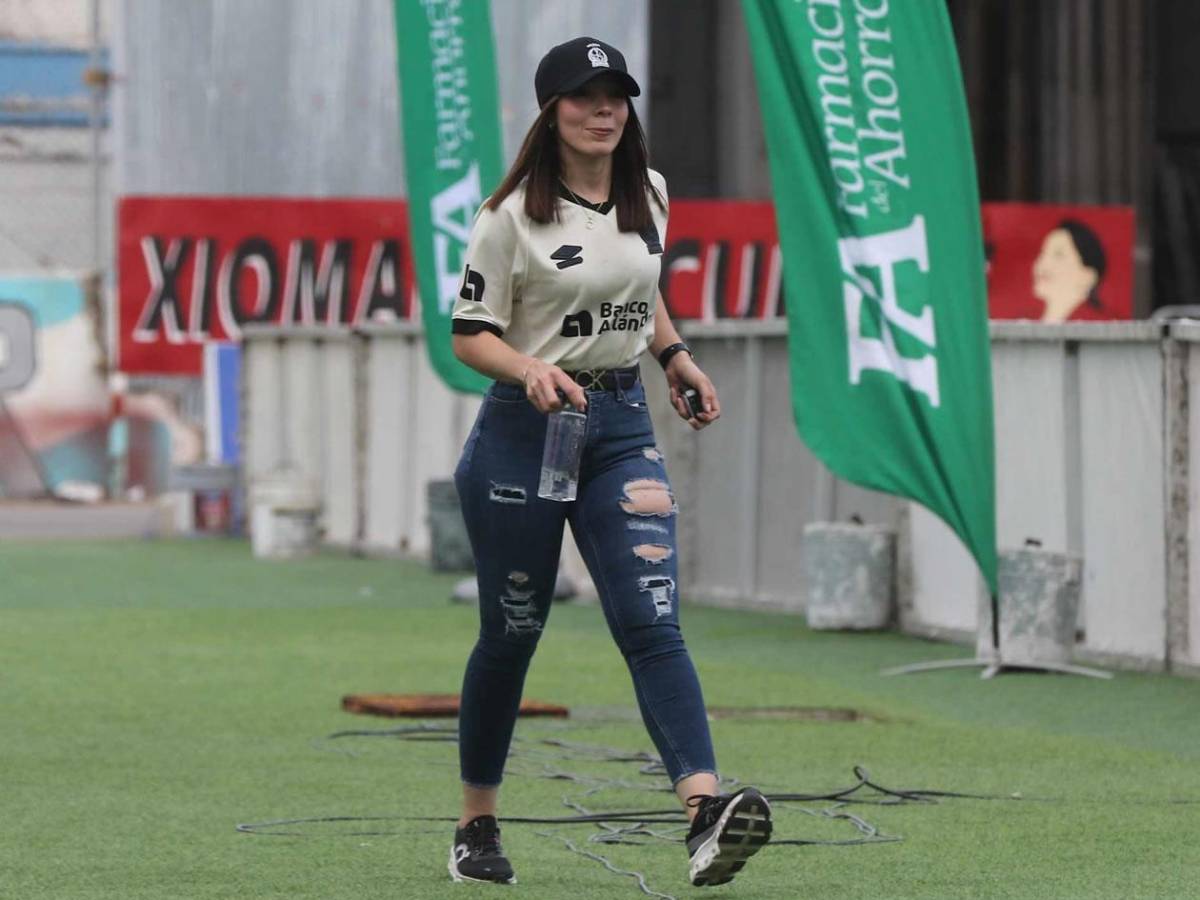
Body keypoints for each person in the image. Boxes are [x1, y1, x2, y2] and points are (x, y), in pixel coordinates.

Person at [446, 36, 772, 888]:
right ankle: (476, 824)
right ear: (551, 112)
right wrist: (529, 369)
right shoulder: (508, 217)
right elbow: (469, 334)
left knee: (652, 620)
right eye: (586, 98)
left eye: (616, 97)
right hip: (525, 431)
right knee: (512, 635)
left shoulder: (651, 192)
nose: (604, 113)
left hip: (621, 424)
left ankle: (704, 815)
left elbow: (637, 289)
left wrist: (675, 359)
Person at [1033, 218, 1110, 322]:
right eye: (1043, 253)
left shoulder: (1096, 325)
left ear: (1088, 275)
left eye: (1058, 255)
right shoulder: (1026, 322)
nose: (1043, 264)